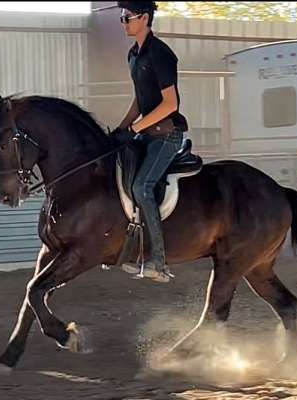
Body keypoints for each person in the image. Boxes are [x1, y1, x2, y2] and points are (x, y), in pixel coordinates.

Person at [114, 1, 188, 283]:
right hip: (147, 133)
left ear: (144, 18)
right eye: (121, 18)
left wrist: (135, 127)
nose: (123, 23)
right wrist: (122, 128)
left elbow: (170, 103)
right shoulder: (133, 54)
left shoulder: (160, 53)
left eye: (127, 17)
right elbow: (140, 99)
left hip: (167, 134)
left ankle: (159, 261)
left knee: (141, 186)